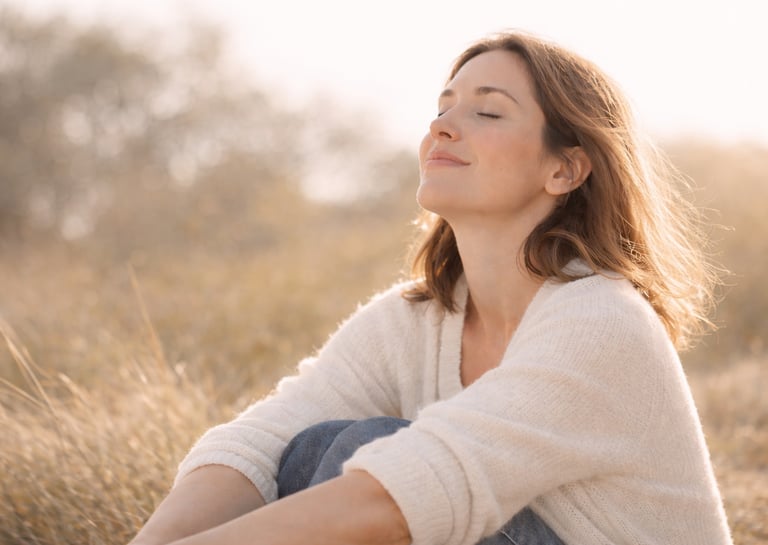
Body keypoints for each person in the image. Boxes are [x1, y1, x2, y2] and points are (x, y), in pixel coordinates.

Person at [128, 31, 733, 545]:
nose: (443, 127)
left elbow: (409, 493)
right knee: (312, 448)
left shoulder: (601, 320)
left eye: (487, 112)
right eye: (441, 109)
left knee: (370, 455)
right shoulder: (413, 320)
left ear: (565, 168)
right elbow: (260, 441)